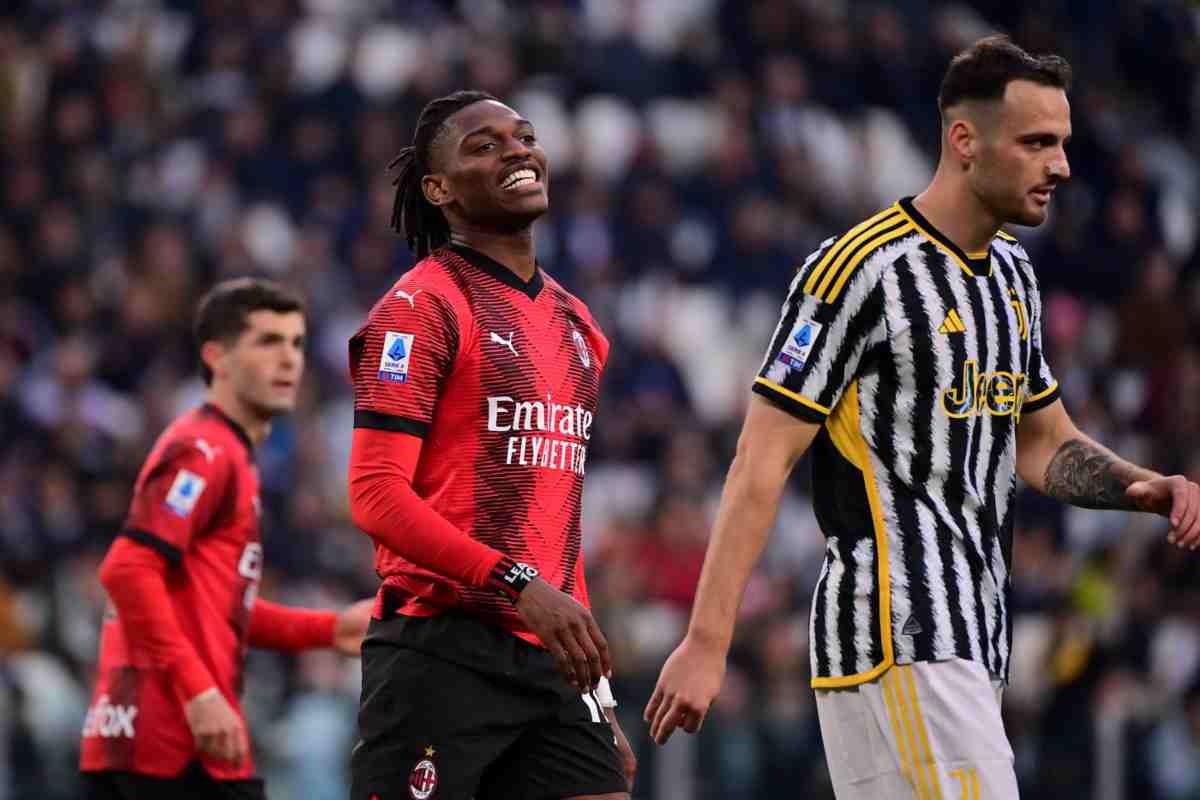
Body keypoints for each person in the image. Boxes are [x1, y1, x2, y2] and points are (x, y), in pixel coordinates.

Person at [645, 34, 1200, 800]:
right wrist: (708, 644)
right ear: (964, 141)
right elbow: (759, 461)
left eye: (1064, 144)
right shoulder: (859, 270)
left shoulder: (1012, 276)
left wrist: (1141, 485)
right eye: (1038, 142)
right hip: (902, 631)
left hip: (966, 639)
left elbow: (1040, 441)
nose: (1062, 166)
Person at [346, 90, 635, 800]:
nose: (516, 151)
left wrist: (596, 685)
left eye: (525, 136)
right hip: (441, 649)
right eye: (484, 145)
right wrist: (515, 583)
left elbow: (555, 515)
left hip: (552, 659)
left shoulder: (578, 324)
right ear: (438, 189)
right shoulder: (420, 308)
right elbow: (375, 495)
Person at [80, 278, 372, 800]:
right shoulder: (204, 450)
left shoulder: (231, 456)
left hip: (189, 747)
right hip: (162, 741)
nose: (289, 360)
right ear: (217, 358)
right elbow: (127, 569)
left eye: (296, 343)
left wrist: (328, 629)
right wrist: (199, 692)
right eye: (267, 342)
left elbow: (214, 606)